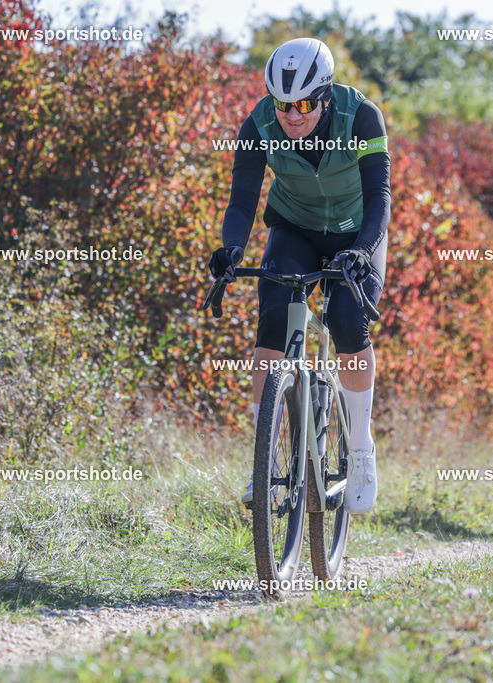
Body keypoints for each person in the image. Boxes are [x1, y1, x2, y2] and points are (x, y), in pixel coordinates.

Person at [208, 37, 390, 515]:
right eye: (283, 104)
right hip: (295, 228)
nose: (292, 115)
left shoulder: (362, 117)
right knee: (271, 317)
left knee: (349, 322)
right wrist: (230, 249)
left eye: (305, 104)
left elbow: (380, 197)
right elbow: (243, 199)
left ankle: (361, 451)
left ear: (326, 95)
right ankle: (262, 460)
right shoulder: (259, 123)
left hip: (357, 232)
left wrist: (363, 250)